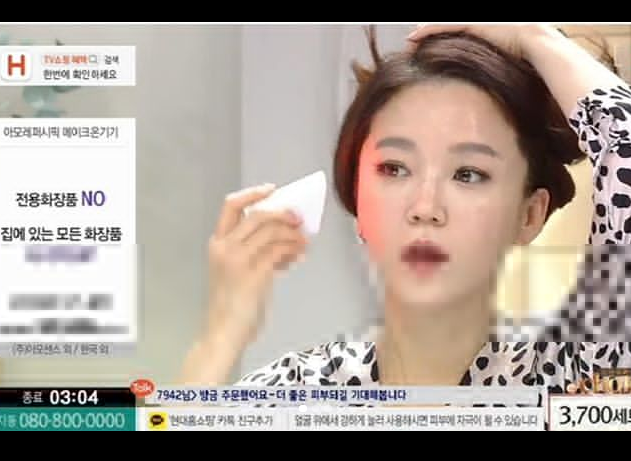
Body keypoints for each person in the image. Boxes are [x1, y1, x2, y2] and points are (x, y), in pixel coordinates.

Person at [182, 24, 631, 395]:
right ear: (358, 197)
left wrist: (534, 37)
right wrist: (222, 335)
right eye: (394, 168)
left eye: (468, 174)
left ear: (529, 215)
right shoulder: (299, 391)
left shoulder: (574, 381)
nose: (425, 208)